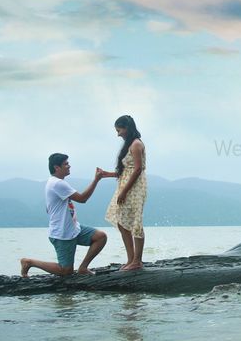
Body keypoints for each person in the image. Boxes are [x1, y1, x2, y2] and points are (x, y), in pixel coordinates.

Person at [20, 153, 109, 277]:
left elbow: (49, 208)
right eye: (66, 164)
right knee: (66, 271)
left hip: (73, 229)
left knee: (100, 237)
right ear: (57, 167)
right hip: (62, 233)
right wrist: (96, 180)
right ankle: (29, 262)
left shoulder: (54, 182)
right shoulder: (57, 183)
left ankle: (83, 268)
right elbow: (82, 198)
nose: (69, 166)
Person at [104, 115, 147, 271]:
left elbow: (137, 170)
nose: (118, 134)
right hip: (125, 185)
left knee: (135, 222)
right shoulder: (129, 145)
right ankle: (130, 259)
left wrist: (124, 191)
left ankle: (137, 261)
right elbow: (126, 171)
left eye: (119, 130)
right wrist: (106, 174)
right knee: (122, 222)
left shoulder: (136, 144)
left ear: (127, 128)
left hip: (134, 187)